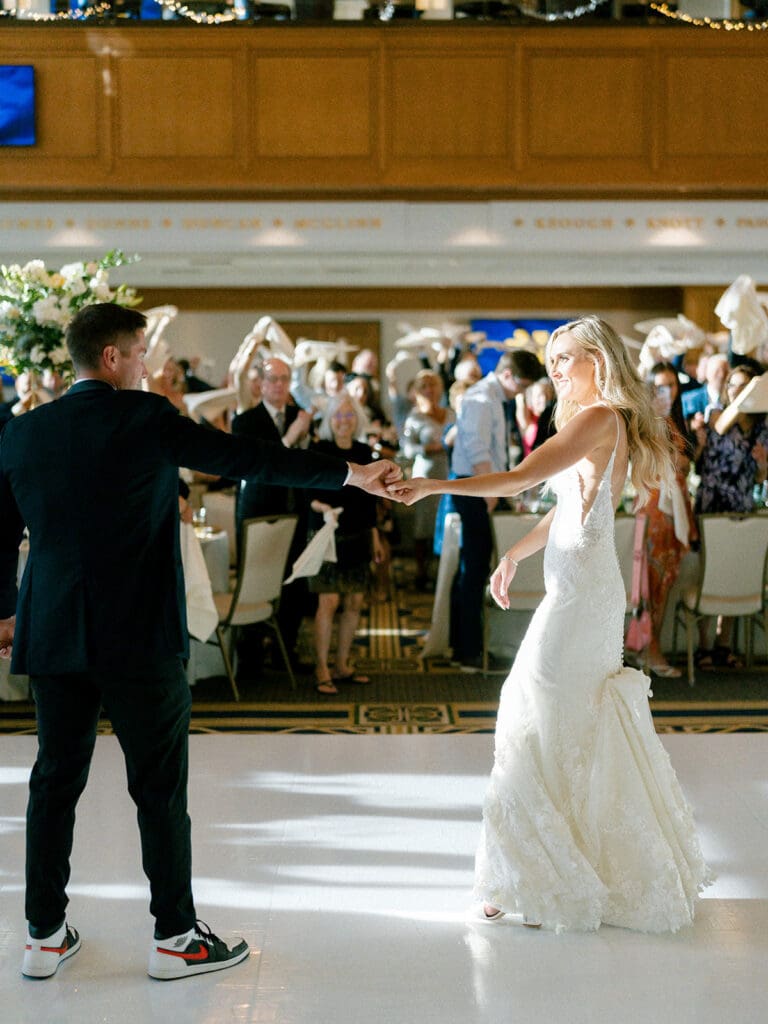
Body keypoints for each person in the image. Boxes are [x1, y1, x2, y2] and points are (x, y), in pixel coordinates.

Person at [0, 303, 400, 981]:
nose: (150, 367)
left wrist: (6, 613)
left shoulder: (22, 433)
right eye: (141, 354)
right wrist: (350, 473)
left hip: (55, 631)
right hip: (139, 636)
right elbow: (246, 458)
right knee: (158, 789)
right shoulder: (148, 419)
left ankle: (42, 937)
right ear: (112, 358)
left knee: (53, 782)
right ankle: (175, 938)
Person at [388, 316, 711, 932]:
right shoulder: (596, 421)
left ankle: (538, 873)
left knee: (534, 713)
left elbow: (520, 478)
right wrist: (513, 554)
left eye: (566, 358)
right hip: (580, 591)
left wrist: (432, 484)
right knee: (556, 719)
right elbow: (564, 510)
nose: (555, 369)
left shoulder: (599, 418)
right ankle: (543, 868)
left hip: (581, 599)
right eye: (554, 358)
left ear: (599, 361)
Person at [449, 349, 542, 669]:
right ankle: (467, 649)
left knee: (473, 564)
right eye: (522, 384)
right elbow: (476, 448)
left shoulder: (493, 398)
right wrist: (491, 493)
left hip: (486, 485)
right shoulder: (480, 399)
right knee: (474, 568)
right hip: (477, 486)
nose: (522, 391)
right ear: (507, 375)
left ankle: (461, 642)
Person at [231, 356, 314, 672]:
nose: (279, 385)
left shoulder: (300, 416)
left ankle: (286, 652)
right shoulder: (246, 422)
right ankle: (250, 656)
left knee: (294, 584)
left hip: (296, 510)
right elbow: (260, 465)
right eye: (273, 379)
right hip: (259, 511)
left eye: (284, 379)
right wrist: (292, 436)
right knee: (256, 580)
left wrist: (304, 437)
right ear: (261, 384)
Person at [691, 363, 768, 667]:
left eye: (745, 385)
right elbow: (721, 428)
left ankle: (724, 644)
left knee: (735, 570)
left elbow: (761, 476)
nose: (737, 390)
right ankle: (704, 645)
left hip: (742, 503)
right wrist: (744, 397)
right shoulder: (715, 414)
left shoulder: (763, 426)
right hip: (712, 500)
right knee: (709, 570)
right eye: (733, 385)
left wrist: (763, 465)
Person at [307, 393, 383, 694]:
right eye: (337, 415)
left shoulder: (365, 452)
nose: (343, 420)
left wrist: (375, 538)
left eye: (349, 415)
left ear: (358, 419)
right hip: (327, 534)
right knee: (329, 601)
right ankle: (321, 667)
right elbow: (306, 494)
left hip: (359, 535)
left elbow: (370, 502)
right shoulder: (319, 449)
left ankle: (341, 664)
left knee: (354, 601)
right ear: (329, 420)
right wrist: (322, 509)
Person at [638, 362, 698, 678]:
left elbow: (685, 460)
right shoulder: (648, 421)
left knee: (666, 579)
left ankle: (650, 644)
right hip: (655, 507)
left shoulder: (675, 419)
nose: (667, 392)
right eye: (660, 387)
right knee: (654, 580)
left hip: (674, 504)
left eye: (672, 386)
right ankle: (650, 647)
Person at [401, 369, 455, 590]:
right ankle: (422, 573)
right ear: (417, 391)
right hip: (426, 471)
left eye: (433, 385)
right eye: (424, 386)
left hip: (448, 471)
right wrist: (430, 447)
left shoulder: (451, 413)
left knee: (446, 520)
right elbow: (406, 449)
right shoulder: (414, 418)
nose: (429, 390)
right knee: (424, 524)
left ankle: (443, 571)